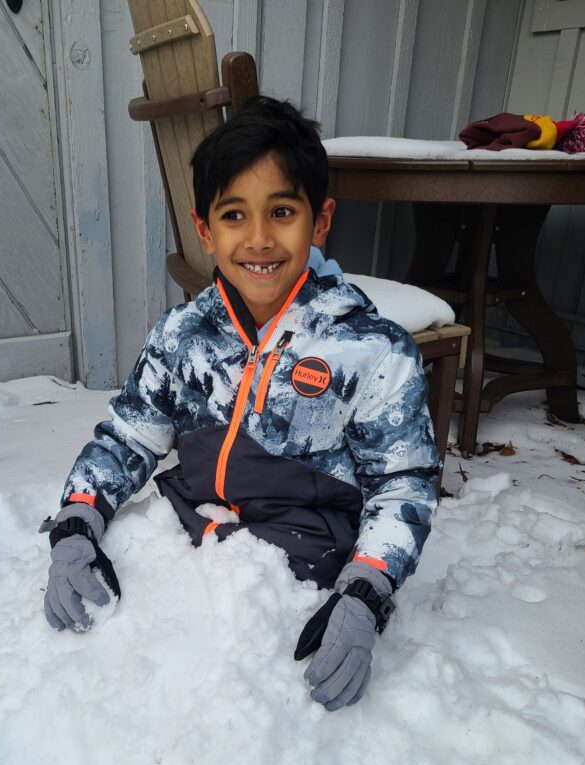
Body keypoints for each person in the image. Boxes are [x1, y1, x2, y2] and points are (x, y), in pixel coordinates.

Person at [41, 96, 440, 711]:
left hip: (304, 562)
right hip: (187, 528)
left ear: (320, 221)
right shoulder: (182, 336)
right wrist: (76, 521)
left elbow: (403, 483)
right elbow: (130, 436)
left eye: (282, 211)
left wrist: (366, 593)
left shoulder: (369, 351)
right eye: (234, 215)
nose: (259, 239)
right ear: (205, 229)